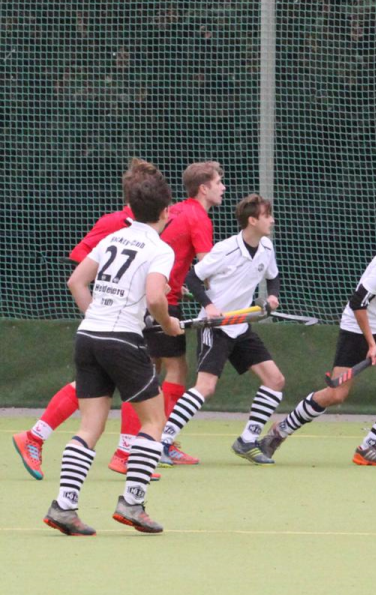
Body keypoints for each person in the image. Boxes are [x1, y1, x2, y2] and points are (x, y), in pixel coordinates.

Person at [43, 170, 183, 535]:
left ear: (132, 209)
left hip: (88, 336)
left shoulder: (114, 237)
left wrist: (98, 317)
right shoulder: (160, 249)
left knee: (90, 426)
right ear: (166, 211)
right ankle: (133, 504)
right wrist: (167, 325)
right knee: (154, 422)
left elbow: (76, 281)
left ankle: (64, 507)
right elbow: (155, 297)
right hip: (122, 340)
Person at [11, 159, 162, 482]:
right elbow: (81, 260)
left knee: (122, 382)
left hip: (131, 316)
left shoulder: (150, 225)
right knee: (131, 382)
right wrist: (100, 307)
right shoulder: (115, 224)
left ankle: (45, 438)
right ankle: (122, 452)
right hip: (112, 320)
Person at [258, 211, 376, 466]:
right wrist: (371, 344)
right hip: (357, 328)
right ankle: (280, 431)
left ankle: (368, 446)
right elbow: (358, 302)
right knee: (336, 394)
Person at [159, 194, 285, 465]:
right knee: (205, 387)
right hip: (214, 326)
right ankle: (162, 441)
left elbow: (272, 277)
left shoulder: (266, 247)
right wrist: (210, 305)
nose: (272, 220)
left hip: (241, 326)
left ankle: (247, 440)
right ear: (252, 220)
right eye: (267, 216)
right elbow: (192, 277)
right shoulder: (225, 249)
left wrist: (272, 297)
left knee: (275, 381)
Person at [146, 160, 225, 467]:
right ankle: (162, 442)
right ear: (204, 188)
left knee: (145, 369)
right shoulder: (200, 218)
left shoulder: (173, 210)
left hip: (143, 297)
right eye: (218, 182)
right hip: (164, 300)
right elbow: (209, 270)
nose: (223, 187)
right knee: (176, 370)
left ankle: (140, 440)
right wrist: (214, 301)